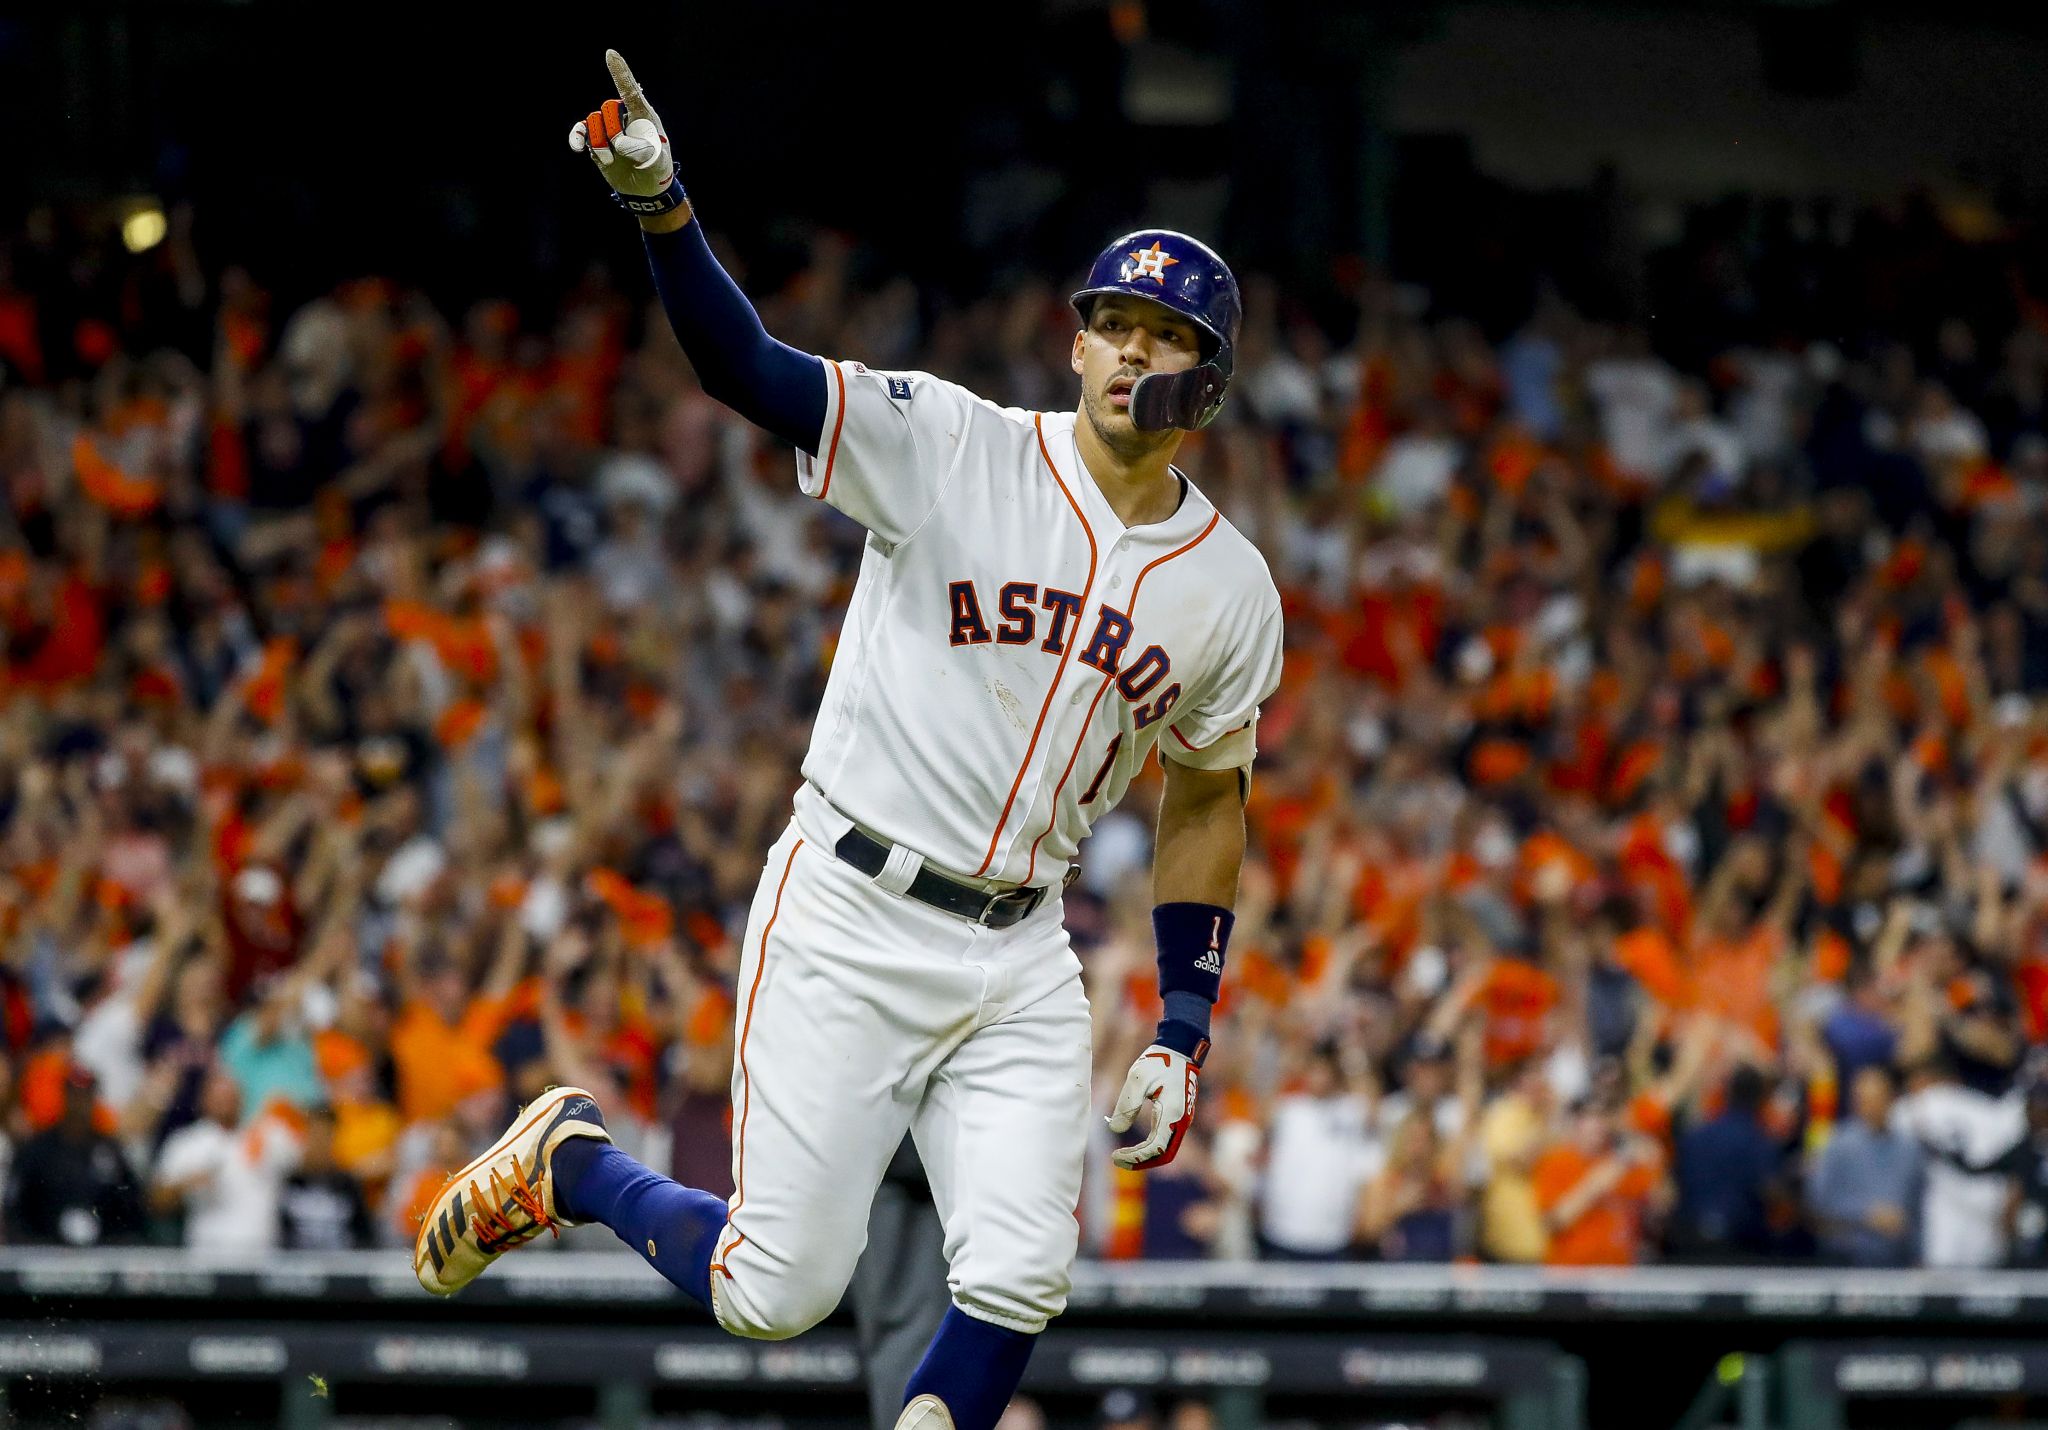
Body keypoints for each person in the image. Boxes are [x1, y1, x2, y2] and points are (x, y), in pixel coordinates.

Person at [411, 50, 1282, 1430]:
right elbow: (746, 368)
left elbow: (1206, 799)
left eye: (1165, 336)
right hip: (853, 906)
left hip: (1018, 947)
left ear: (1209, 383)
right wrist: (663, 208)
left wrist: (1183, 1022)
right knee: (776, 1290)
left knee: (1021, 1270)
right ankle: (576, 1165)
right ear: (1076, 343)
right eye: (1112, 321)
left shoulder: (1230, 589)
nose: (1131, 349)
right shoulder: (954, 443)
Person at [150, 1069, 302, 1252]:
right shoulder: (187, 1142)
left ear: (243, 1098)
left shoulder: (268, 1135)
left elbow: (308, 1162)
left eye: (231, 1096)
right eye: (219, 1096)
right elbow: (156, 1201)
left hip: (262, 1249)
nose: (226, 1103)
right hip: (208, 1249)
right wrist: (185, 1184)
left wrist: (285, 1110)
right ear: (203, 1100)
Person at [3, 1068, 146, 1247]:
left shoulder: (110, 1150)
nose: (80, 1103)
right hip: (44, 1252)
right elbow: (16, 1208)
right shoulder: (36, 1150)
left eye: (86, 1096)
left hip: (101, 1254)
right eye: (75, 1095)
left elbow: (132, 1207)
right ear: (65, 1097)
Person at [1809, 1065, 1921, 1267]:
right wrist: (1867, 1215)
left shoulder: (1910, 1149)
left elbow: (1918, 1205)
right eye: (1864, 1100)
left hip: (1897, 1260)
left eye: (1877, 1098)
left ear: (1892, 1098)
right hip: (1847, 1258)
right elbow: (1819, 1201)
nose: (1871, 1106)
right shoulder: (1838, 1144)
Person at [1668, 1065, 1783, 1261]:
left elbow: (1674, 1184)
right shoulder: (1758, 1140)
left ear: (1727, 1093)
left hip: (1689, 1238)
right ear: (1761, 1098)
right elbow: (1769, 1190)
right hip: (1742, 1243)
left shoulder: (1695, 1136)